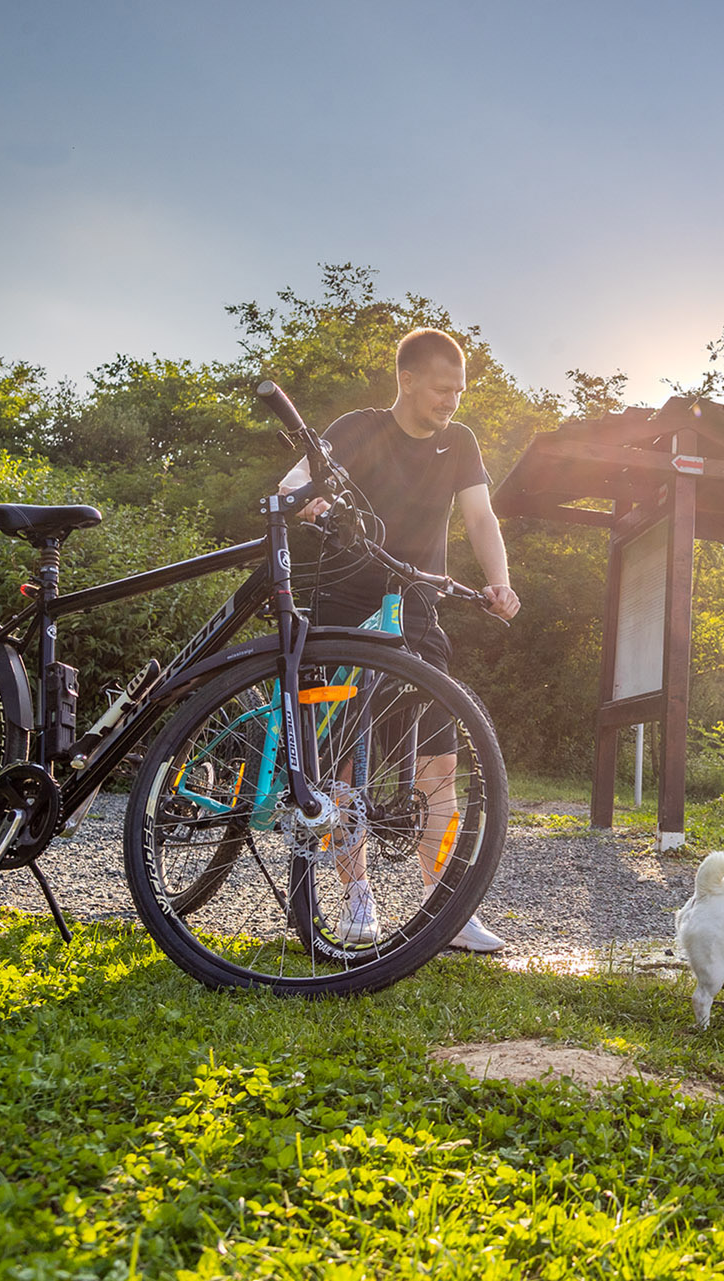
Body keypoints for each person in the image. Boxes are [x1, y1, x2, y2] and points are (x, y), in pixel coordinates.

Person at [277, 327, 522, 953]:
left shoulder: (460, 442)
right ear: (406, 380)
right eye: (443, 389)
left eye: (460, 392)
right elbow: (294, 482)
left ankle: (447, 906)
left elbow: (480, 515)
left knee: (439, 764)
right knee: (341, 764)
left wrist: (499, 582)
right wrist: (314, 505)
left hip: (417, 605)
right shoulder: (358, 428)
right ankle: (358, 896)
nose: (452, 402)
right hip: (344, 606)